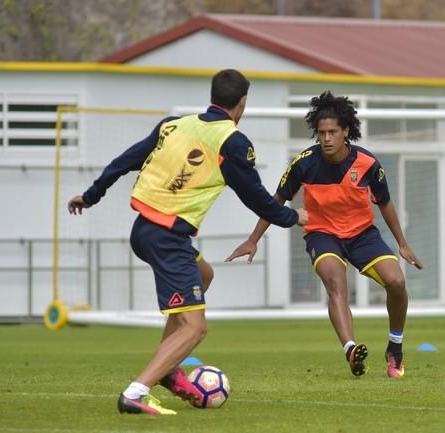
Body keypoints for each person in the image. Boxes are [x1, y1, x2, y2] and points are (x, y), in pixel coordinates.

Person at [67, 69, 308, 415]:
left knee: (204, 275)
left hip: (145, 230)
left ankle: (167, 370)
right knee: (196, 329)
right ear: (242, 103)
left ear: (212, 96)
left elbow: (124, 162)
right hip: (167, 238)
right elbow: (256, 198)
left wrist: (91, 196)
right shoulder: (233, 142)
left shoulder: (173, 125)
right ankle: (136, 392)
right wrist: (293, 217)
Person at [226, 91, 422, 378]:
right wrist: (253, 239)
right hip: (322, 234)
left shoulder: (368, 164)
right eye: (321, 133)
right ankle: (351, 349)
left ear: (346, 132)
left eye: (332, 132)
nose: (326, 138)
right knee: (335, 281)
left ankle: (395, 347)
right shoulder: (304, 163)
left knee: (396, 281)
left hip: (363, 235)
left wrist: (402, 244)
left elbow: (385, 203)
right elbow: (275, 200)